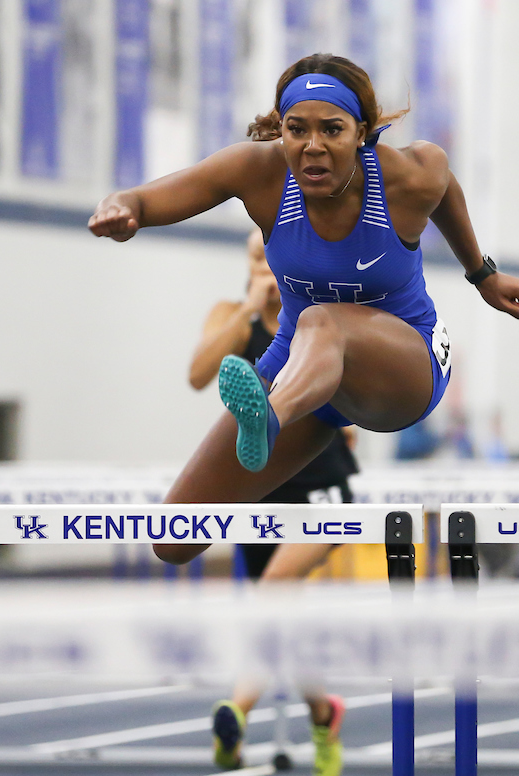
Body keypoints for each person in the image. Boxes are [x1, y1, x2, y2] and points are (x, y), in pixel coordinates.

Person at [89, 52, 519, 773]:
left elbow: (447, 186)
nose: (312, 147)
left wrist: (481, 274)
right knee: (173, 538)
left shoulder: (408, 174)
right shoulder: (260, 173)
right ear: (281, 132)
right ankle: (276, 408)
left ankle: (269, 411)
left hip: (404, 369)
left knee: (325, 320)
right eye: (297, 129)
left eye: (331, 130)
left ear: (361, 134)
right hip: (304, 375)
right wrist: (125, 208)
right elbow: (160, 191)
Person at [188, 226, 362, 770]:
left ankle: (236, 709)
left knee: (273, 591)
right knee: (283, 615)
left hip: (324, 490)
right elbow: (197, 373)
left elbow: (351, 404)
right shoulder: (230, 313)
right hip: (263, 491)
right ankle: (323, 714)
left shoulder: (313, 313)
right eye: (254, 257)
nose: (263, 265)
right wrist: (247, 311)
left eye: (270, 255)